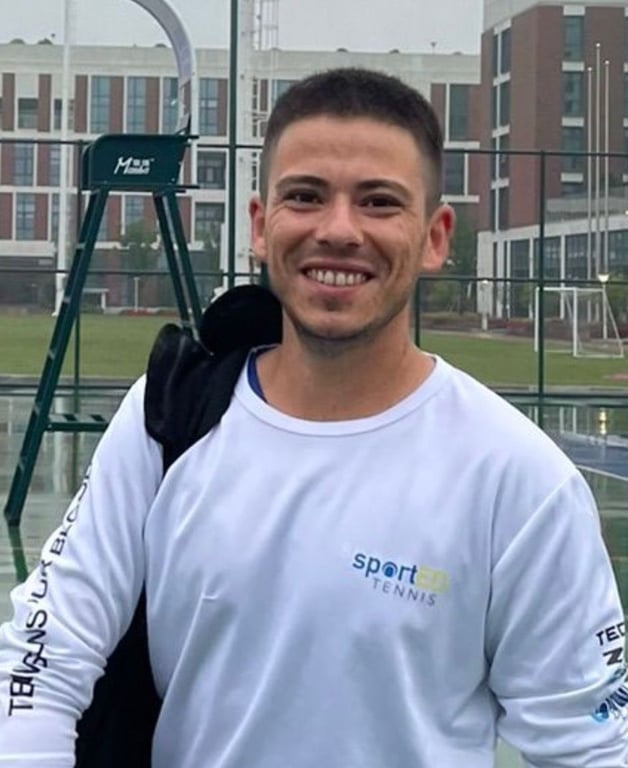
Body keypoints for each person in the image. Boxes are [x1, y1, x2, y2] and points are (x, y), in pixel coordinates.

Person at [0, 67, 626, 767]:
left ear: (435, 237)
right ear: (262, 227)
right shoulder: (168, 417)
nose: (338, 230)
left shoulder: (520, 481)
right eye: (305, 196)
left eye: (379, 202)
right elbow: (39, 661)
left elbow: (589, 745)